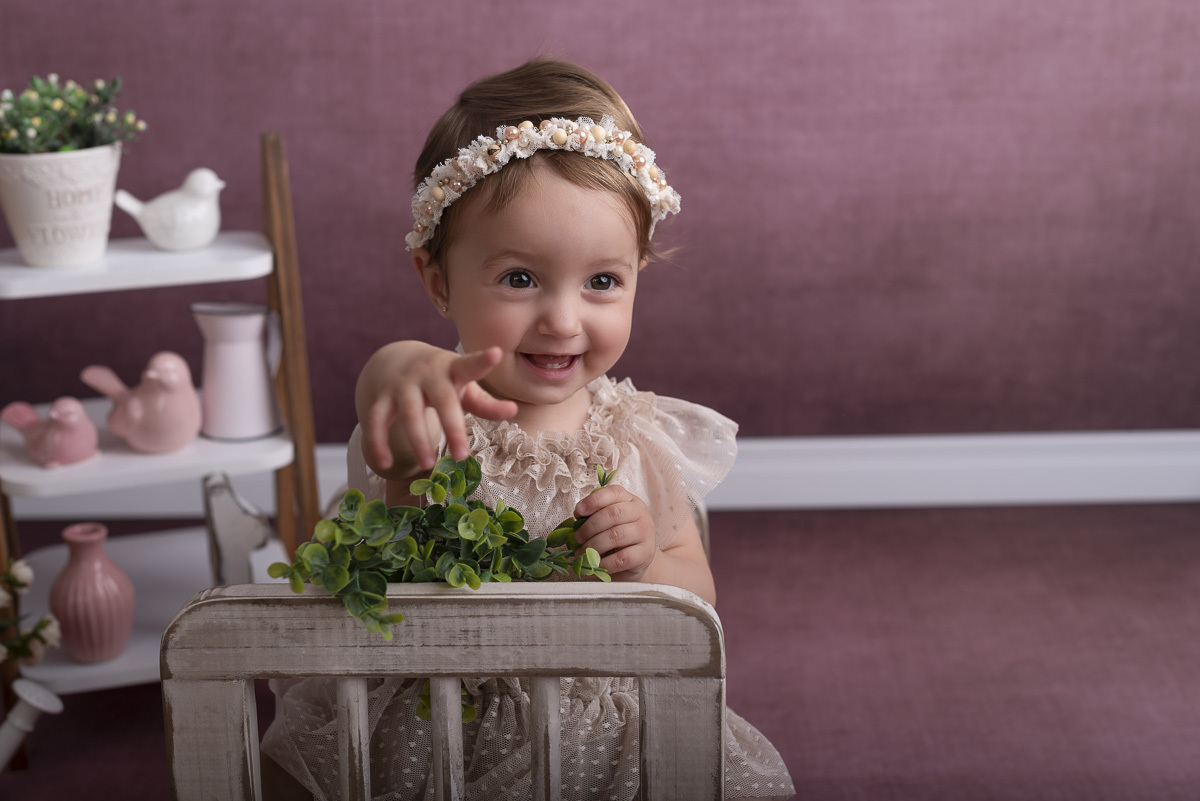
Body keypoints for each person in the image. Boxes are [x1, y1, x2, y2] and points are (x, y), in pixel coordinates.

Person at [261, 56, 795, 801]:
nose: (563, 319)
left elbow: (698, 596)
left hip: (599, 723)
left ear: (638, 272)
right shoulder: (432, 417)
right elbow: (393, 437)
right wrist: (394, 369)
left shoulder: (639, 435)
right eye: (520, 278)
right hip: (441, 717)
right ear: (438, 281)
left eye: (602, 281)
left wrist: (647, 561)